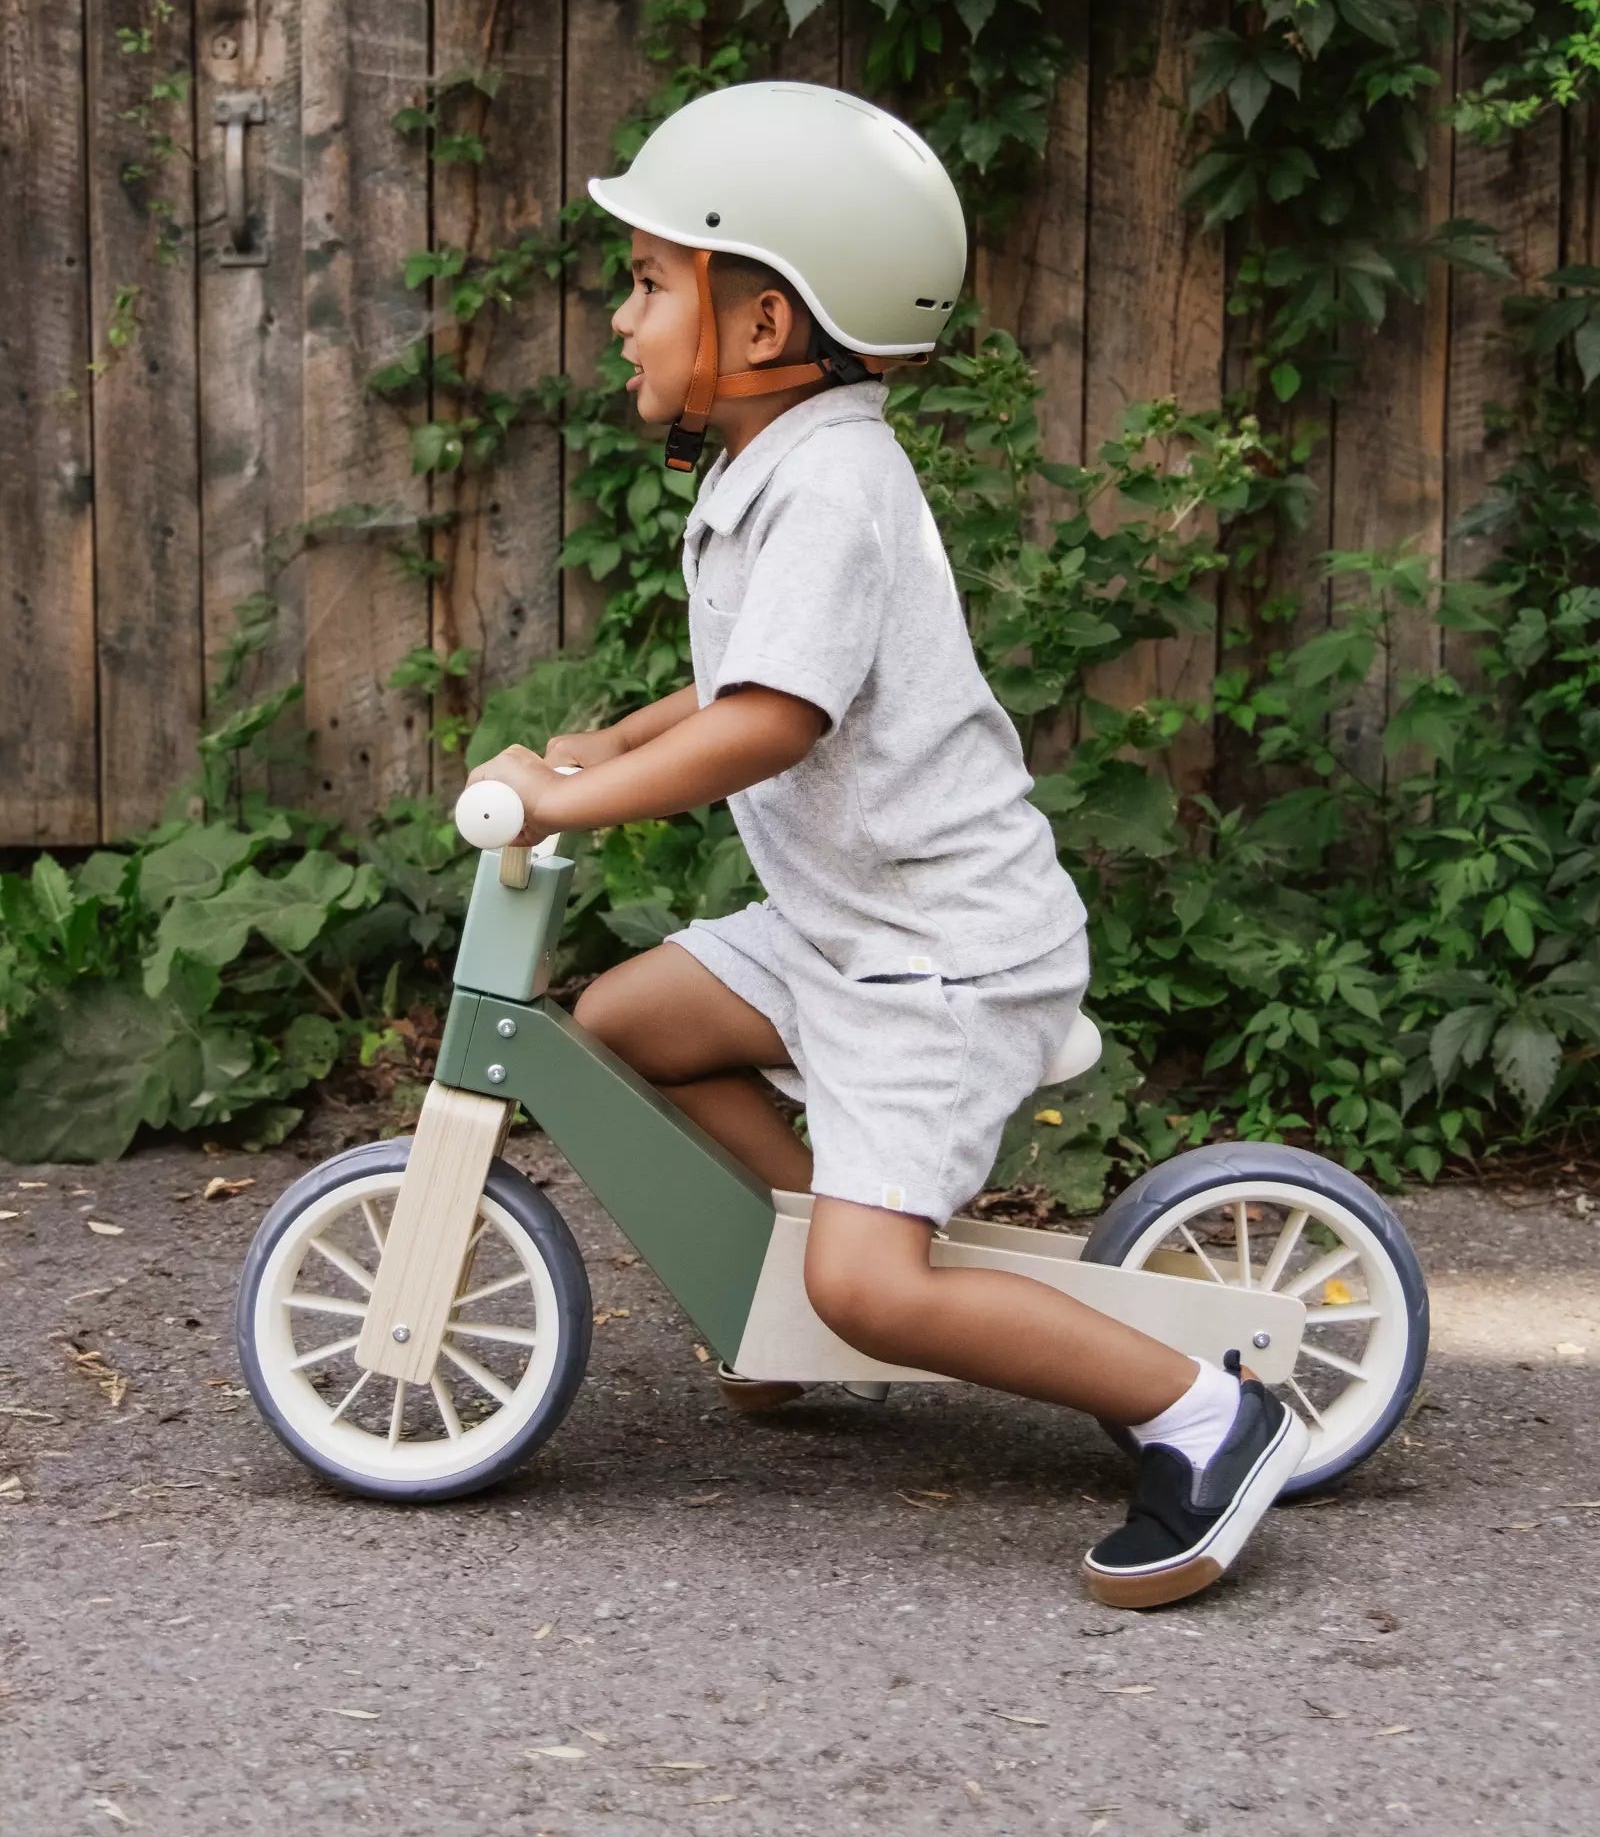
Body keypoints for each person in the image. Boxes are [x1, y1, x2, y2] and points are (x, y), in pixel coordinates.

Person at [466, 80, 1307, 1607]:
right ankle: (799, 1285)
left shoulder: (836, 481)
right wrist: (609, 744)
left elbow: (773, 722)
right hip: (847, 927)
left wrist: (567, 801)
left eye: (649, 282)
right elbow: (746, 680)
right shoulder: (770, 463)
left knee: (874, 1285)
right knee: (627, 1025)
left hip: (941, 954)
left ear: (764, 322)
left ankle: (1206, 1416)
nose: (620, 317)